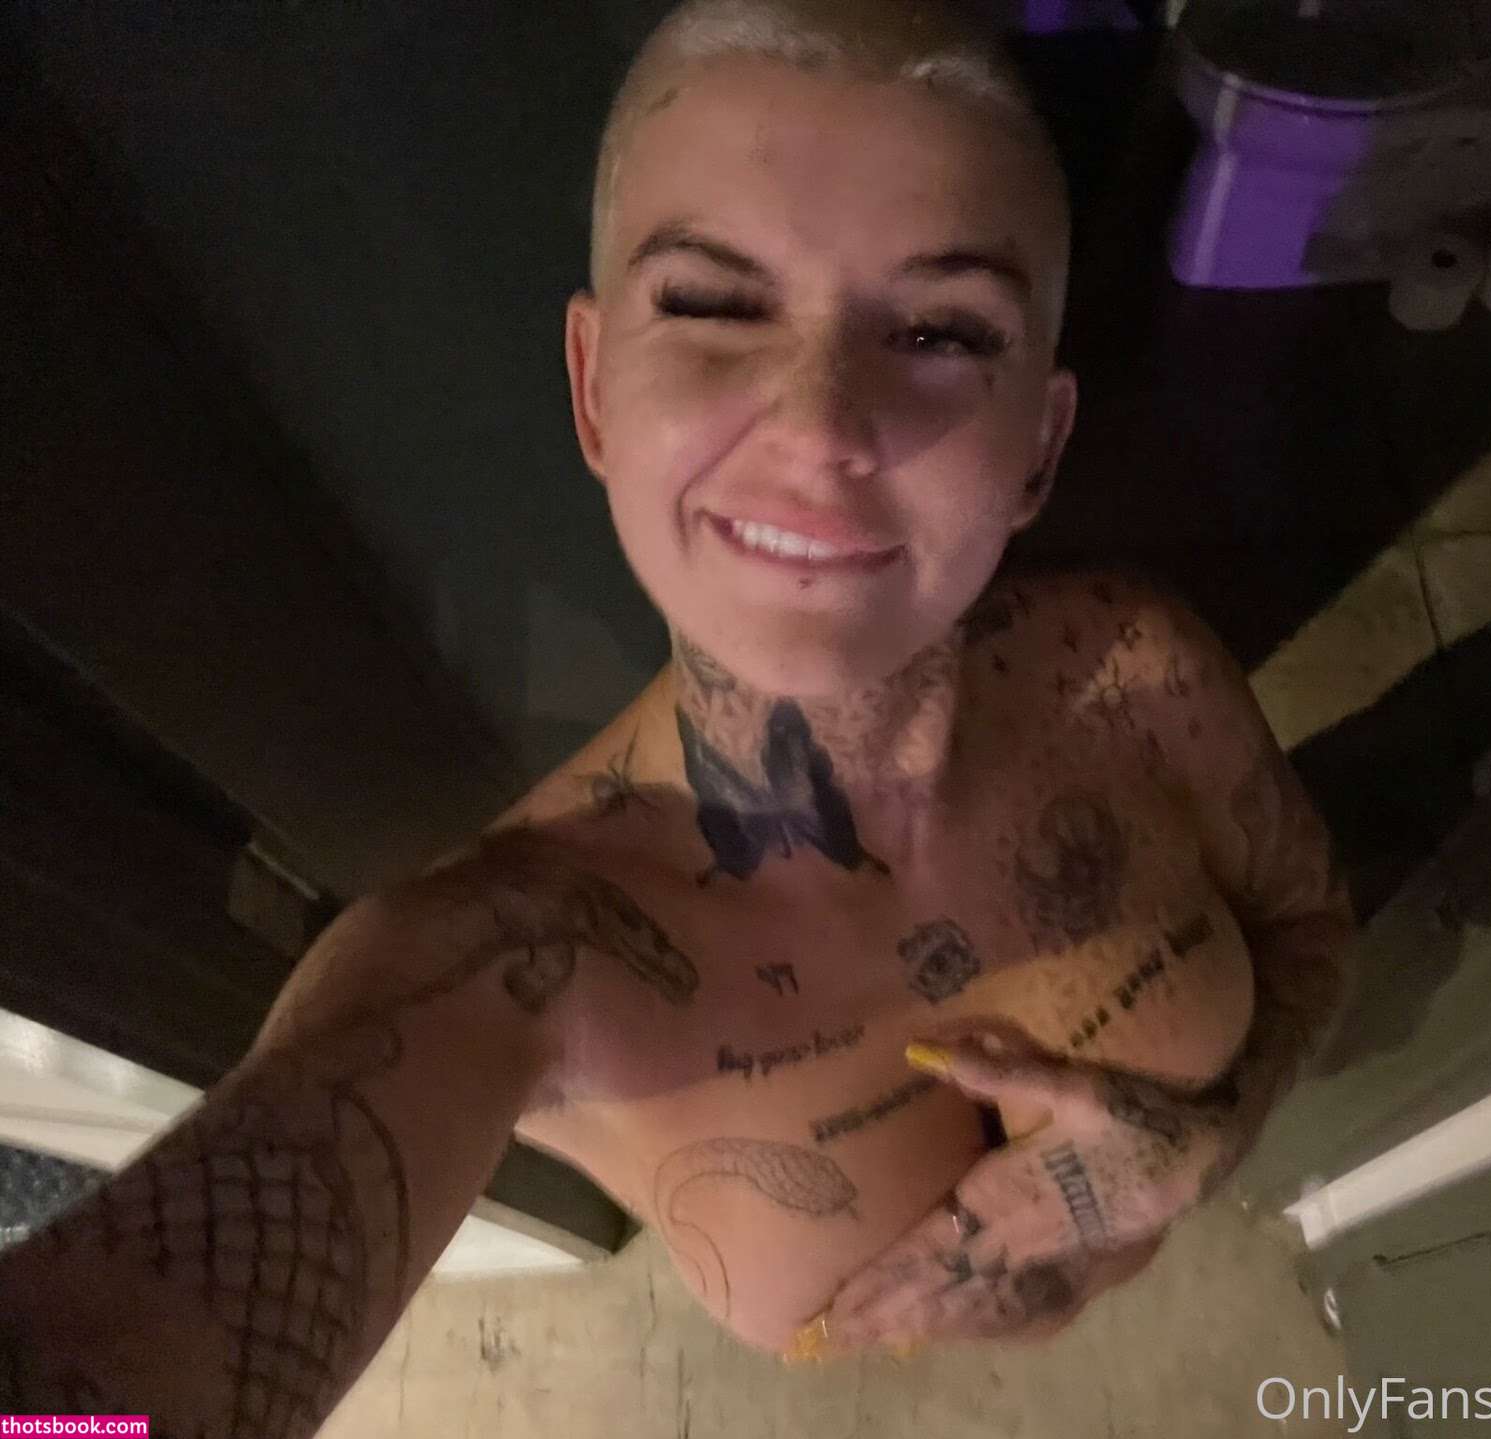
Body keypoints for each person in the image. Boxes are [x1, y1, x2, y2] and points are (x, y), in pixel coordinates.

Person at [0, 0, 1353, 1430]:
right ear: (595, 390)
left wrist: (1199, 1144)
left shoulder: (1134, 674)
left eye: (942, 331)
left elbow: (1312, 933)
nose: (819, 428)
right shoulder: (508, 966)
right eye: (713, 306)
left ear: (1040, 448)